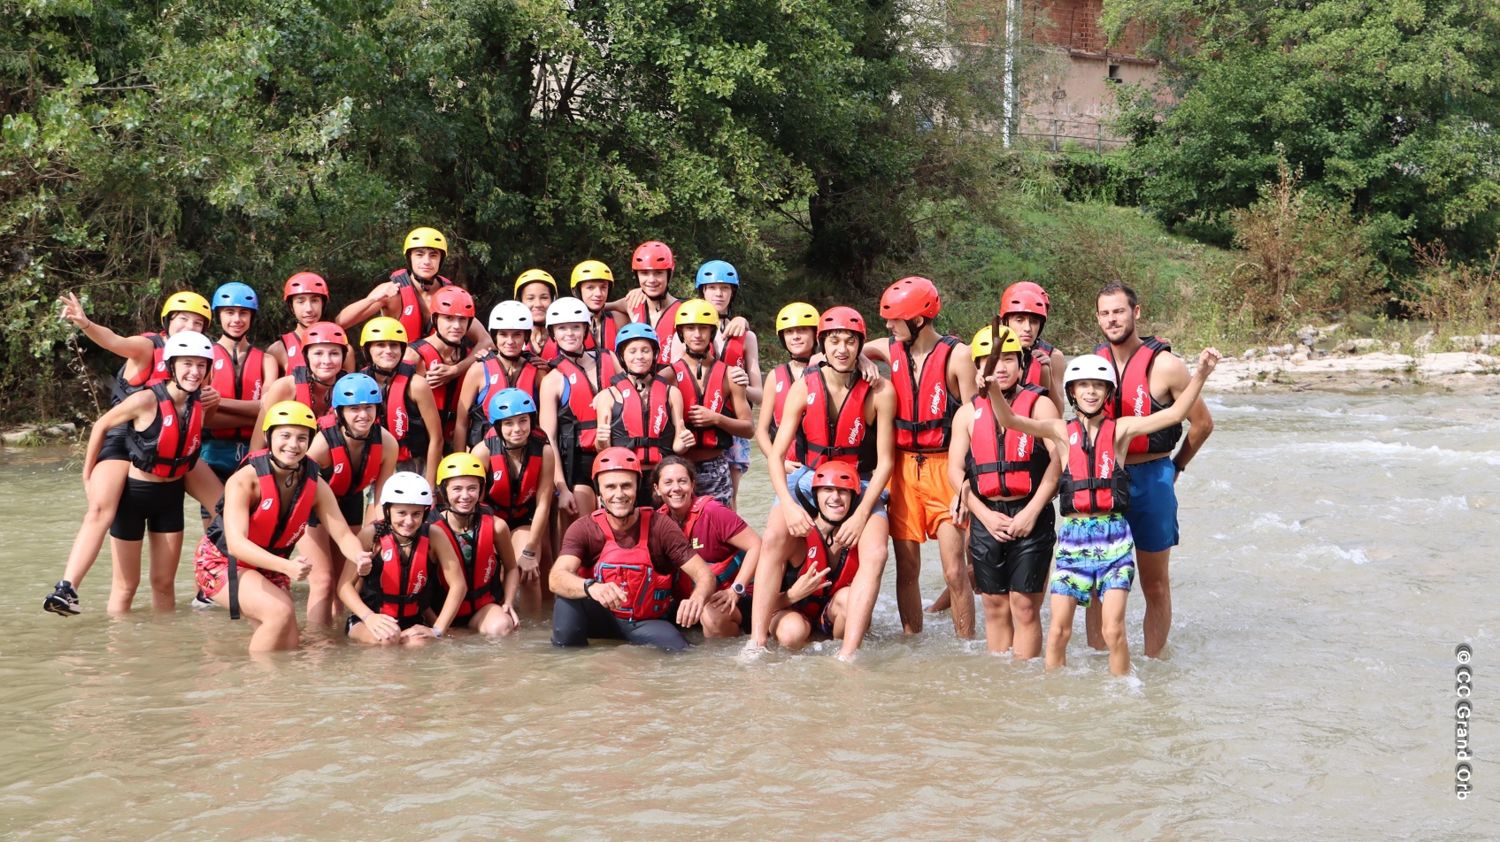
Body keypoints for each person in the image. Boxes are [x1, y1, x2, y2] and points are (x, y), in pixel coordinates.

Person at [985, 348, 1220, 675]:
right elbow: (1009, 419)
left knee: (1114, 630)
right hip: (1073, 540)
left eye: (1098, 385)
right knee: (1058, 632)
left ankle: (1121, 696)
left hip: (1115, 539)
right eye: (1083, 385)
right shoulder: (1059, 431)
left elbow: (1174, 413)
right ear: (1071, 392)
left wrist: (1201, 374)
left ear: (1108, 392)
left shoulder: (1121, 430)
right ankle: (1059, 699)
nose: (1091, 392)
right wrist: (994, 390)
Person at [44, 292, 224, 616]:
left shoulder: (196, 369)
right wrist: (85, 323)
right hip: (122, 435)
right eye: (183, 319)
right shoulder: (148, 348)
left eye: (198, 323)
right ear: (168, 322)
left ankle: (224, 576)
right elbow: (113, 341)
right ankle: (67, 587)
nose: (190, 326)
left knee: (227, 506)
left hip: (169, 448)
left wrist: (211, 402)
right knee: (102, 508)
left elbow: (194, 423)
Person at [749, 306, 895, 661]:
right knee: (773, 537)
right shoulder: (803, 387)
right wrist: (786, 502)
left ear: (860, 345)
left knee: (876, 550)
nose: (841, 349)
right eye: (833, 341)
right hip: (807, 479)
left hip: (856, 483)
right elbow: (775, 453)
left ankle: (848, 654)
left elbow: (886, 461)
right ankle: (756, 643)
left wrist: (861, 516)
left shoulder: (880, 391)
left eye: (849, 341)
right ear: (822, 345)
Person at [1091, 282, 1216, 659]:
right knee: (1099, 581)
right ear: (1098, 318)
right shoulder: (1094, 364)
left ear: (1136, 312)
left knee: (1155, 584)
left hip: (1152, 478)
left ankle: (1153, 663)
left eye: (1119, 311)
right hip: (1105, 479)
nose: (1112, 319)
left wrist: (1176, 467)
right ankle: (1100, 663)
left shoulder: (1165, 365)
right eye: (1105, 313)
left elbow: (1202, 423)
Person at [194, 401, 371, 652]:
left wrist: (359, 556)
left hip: (269, 567)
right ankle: (257, 685)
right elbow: (235, 544)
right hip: (221, 562)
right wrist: (286, 566)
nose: (293, 445)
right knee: (279, 613)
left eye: (301, 438)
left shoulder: (315, 484)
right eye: (285, 436)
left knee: (289, 642)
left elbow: (342, 533)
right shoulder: (245, 480)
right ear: (268, 436)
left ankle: (276, 688)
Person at [860, 276, 978, 639]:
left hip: (946, 466)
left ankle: (966, 645)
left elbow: (977, 419)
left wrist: (969, 482)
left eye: (895, 319)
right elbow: (841, 348)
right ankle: (912, 642)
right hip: (903, 469)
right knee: (907, 569)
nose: (888, 326)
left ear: (918, 320)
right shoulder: (891, 347)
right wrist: (863, 357)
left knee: (955, 571)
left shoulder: (958, 356)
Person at [72, 332, 215, 613]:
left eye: (201, 365)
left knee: (164, 584)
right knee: (125, 587)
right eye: (187, 364)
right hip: (133, 499)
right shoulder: (146, 400)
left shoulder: (200, 403)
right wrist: (87, 475)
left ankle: (164, 650)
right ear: (172, 366)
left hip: (170, 497)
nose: (194, 372)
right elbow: (101, 426)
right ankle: (118, 651)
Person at [946, 325, 1060, 658]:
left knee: (1024, 605)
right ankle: (1001, 684)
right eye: (991, 361)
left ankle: (1024, 682)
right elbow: (955, 470)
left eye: (1009, 359)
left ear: (1021, 365)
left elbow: (1058, 463)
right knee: (995, 605)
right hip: (987, 517)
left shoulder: (1040, 406)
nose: (1001, 367)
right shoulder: (967, 413)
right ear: (979, 368)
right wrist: (983, 515)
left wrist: (1031, 512)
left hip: (1030, 514)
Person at [548, 448, 716, 652]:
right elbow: (556, 577)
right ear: (599, 491)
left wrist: (697, 598)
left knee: (681, 652)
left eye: (626, 486)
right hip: (599, 619)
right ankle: (570, 663)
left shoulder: (661, 526)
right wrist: (591, 587)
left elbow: (705, 575)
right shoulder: (584, 528)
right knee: (566, 597)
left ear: (637, 488)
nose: (619, 494)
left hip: (644, 622)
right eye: (610, 487)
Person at [753, 463, 882, 653]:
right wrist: (792, 595)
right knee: (791, 633)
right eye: (828, 490)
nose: (835, 497)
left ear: (853, 497)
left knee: (848, 598)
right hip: (789, 611)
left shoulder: (861, 537)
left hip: (831, 616)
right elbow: (755, 603)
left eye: (843, 491)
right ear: (816, 496)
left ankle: (839, 655)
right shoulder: (795, 535)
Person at [302, 372, 398, 627]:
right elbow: (302, 492)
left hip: (350, 502)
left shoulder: (387, 442)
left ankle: (336, 643)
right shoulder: (322, 444)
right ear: (339, 412)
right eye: (354, 408)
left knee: (347, 582)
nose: (363, 415)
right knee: (323, 581)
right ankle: (317, 647)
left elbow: (381, 499)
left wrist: (379, 535)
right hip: (312, 508)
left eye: (369, 408)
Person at [339, 472, 468, 645]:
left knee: (418, 644)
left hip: (413, 620)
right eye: (401, 513)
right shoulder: (370, 535)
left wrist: (437, 630)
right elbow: (344, 587)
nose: (409, 521)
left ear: (425, 512)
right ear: (387, 510)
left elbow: (458, 585)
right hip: (368, 619)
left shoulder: (434, 535)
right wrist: (369, 617)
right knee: (386, 640)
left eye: (416, 514)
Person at [653, 455, 760, 638]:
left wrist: (736, 589)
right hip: (692, 600)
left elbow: (757, 545)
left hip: (733, 598)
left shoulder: (714, 512)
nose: (676, 488)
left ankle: (725, 661)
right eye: (668, 482)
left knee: (711, 616)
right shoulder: (657, 521)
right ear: (657, 489)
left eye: (682, 481)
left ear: (693, 485)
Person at [337, 227, 490, 353]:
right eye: (419, 254)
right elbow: (341, 323)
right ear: (410, 258)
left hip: (440, 369)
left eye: (433, 255)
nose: (426, 261)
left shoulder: (452, 296)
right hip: (402, 367)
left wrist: (455, 371)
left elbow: (486, 341)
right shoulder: (391, 291)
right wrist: (372, 299)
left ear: (440, 260)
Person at [470, 388, 555, 612]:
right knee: (492, 575)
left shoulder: (544, 451)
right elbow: (473, 504)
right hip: (491, 521)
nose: (517, 429)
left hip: (522, 520)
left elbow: (543, 503)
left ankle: (531, 636)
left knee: (529, 572)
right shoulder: (483, 452)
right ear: (497, 426)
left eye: (523, 421)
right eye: (508, 423)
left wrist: (529, 551)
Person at [538, 296, 617, 532]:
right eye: (562, 328)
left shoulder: (609, 358)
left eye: (575, 327)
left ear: (585, 329)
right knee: (587, 532)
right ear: (553, 334)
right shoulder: (553, 379)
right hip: (579, 462)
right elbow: (548, 439)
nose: (569, 333)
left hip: (617, 455)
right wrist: (561, 488)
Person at [669, 299, 753, 507]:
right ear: (681, 333)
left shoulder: (730, 375)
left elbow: (748, 429)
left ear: (712, 332)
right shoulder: (668, 375)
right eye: (690, 328)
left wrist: (716, 418)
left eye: (703, 328)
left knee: (718, 532)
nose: (697, 334)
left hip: (716, 465)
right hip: (679, 467)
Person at [428, 453, 521, 637]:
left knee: (502, 627)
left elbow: (511, 568)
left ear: (481, 490)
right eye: (457, 489)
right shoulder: (429, 531)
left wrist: (508, 602)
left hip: (482, 608)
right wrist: (437, 626)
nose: (465, 496)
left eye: (472, 488)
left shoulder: (497, 526)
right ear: (443, 491)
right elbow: (420, 589)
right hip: (440, 612)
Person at [695, 260, 763, 510]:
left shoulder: (747, 337)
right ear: (702, 291)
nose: (719, 294)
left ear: (732, 292)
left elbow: (760, 396)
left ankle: (731, 546)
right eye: (712, 288)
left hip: (734, 425)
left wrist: (742, 387)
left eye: (724, 288)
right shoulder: (690, 332)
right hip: (701, 424)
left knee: (730, 499)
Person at [200, 282, 274, 489]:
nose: (236, 319)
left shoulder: (266, 360)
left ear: (252, 316)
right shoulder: (205, 357)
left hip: (255, 451)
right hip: (213, 453)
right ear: (219, 316)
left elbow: (267, 409)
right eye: (229, 312)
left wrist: (218, 403)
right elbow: (205, 419)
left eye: (243, 313)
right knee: (216, 520)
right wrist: (253, 414)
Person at [594, 324, 690, 473]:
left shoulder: (672, 393)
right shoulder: (607, 396)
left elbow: (678, 446)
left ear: (654, 354)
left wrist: (684, 443)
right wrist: (600, 441)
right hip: (625, 472)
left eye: (645, 351)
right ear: (622, 357)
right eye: (632, 351)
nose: (639, 356)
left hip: (661, 472)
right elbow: (603, 449)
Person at [357, 316, 443, 483]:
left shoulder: (417, 385)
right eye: (380, 345)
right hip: (375, 465)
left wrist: (431, 487)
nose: (388, 350)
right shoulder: (360, 384)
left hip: (415, 464)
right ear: (367, 350)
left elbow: (436, 438)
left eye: (394, 345)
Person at [454, 300, 543, 450]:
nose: (510, 341)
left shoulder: (538, 372)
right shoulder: (479, 370)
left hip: (524, 453)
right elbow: (461, 423)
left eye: (517, 335)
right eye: (503, 334)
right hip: (484, 453)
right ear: (495, 336)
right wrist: (459, 461)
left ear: (525, 337)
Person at [405, 285, 479, 450]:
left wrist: (456, 370)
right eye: (449, 318)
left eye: (462, 319)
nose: (456, 326)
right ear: (435, 319)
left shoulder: (468, 356)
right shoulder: (414, 355)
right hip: (419, 446)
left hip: (454, 440)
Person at [251, 321, 348, 444]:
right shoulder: (285, 387)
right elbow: (257, 445)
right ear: (307, 357)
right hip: (287, 458)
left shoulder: (351, 389)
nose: (326, 361)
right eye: (318, 353)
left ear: (343, 357)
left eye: (334, 353)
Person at [753, 302, 819, 467]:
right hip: (789, 465)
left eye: (802, 330)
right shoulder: (775, 377)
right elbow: (761, 431)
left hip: (822, 465)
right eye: (789, 332)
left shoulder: (829, 372)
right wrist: (777, 461)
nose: (795, 336)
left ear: (815, 334)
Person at [1000, 281, 1066, 415]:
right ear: (1006, 321)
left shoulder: (1054, 357)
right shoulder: (985, 351)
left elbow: (1058, 413)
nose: (1027, 329)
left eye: (1034, 322)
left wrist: (1047, 371)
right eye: (1019, 320)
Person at [267, 273, 351, 376]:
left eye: (315, 301)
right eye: (300, 302)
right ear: (291, 307)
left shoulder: (344, 350)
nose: (309, 309)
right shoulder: (278, 350)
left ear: (323, 304)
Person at [568, 259, 624, 355]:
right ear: (577, 291)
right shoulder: (566, 323)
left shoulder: (618, 319)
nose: (598, 294)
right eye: (590, 287)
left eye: (603, 287)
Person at [512, 268, 557, 359]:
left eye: (544, 298)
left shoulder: (566, 336)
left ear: (553, 300)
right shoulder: (508, 339)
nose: (538, 304)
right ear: (520, 301)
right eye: (530, 298)